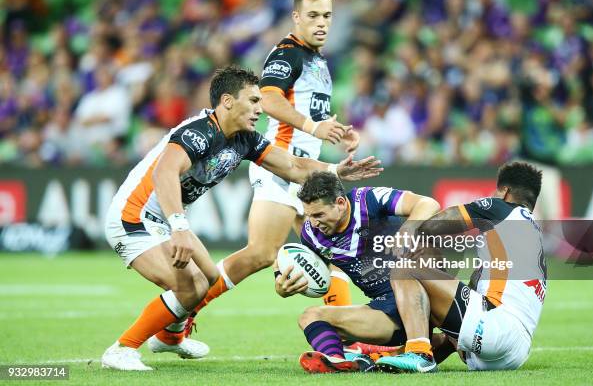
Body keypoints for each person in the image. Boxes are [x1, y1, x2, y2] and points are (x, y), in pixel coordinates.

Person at [101, 66, 382, 371]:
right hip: (134, 216)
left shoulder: (244, 139)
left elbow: (290, 165)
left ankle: (169, 337)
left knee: (209, 278)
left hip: (163, 219)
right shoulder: (199, 131)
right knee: (191, 287)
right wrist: (180, 226)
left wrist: (335, 171)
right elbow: (164, 172)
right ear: (227, 101)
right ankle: (122, 349)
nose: (260, 109)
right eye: (253, 101)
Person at [183, 0, 361, 337]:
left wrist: (334, 130)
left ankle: (347, 333)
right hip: (283, 167)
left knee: (332, 253)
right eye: (312, 15)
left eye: (327, 16)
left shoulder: (317, 60)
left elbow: (308, 111)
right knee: (262, 253)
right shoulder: (287, 52)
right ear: (296, 17)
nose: (321, 23)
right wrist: (314, 126)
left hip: (306, 171)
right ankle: (183, 309)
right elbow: (268, 98)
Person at [376, 161, 546, 373]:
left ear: (505, 191)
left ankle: (418, 353)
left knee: (405, 270)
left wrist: (407, 227)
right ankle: (394, 357)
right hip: (514, 353)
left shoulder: (499, 207)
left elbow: (433, 226)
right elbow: (475, 286)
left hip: (496, 331)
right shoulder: (534, 235)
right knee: (448, 302)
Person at [274, 171, 441, 373]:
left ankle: (422, 348)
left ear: (341, 203)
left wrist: (407, 232)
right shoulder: (312, 235)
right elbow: (294, 264)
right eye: (309, 215)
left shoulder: (368, 200)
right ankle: (338, 362)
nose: (314, 222)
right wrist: (282, 285)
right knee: (310, 316)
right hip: (387, 313)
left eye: (319, 214)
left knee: (473, 350)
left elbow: (427, 203)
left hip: (426, 297)